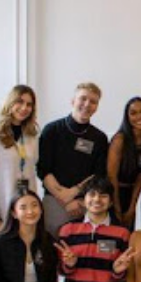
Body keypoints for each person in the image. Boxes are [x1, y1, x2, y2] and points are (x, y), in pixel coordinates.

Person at [37, 82, 108, 235]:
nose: (87, 104)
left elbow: (98, 174)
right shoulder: (52, 130)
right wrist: (64, 198)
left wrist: (75, 196)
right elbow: (43, 168)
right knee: (52, 248)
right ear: (73, 101)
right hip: (54, 200)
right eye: (83, 98)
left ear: (97, 107)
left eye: (93, 101)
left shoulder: (100, 138)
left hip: (83, 203)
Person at [0, 85, 39, 235]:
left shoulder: (32, 137)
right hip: (1, 208)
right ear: (10, 103)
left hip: (26, 212)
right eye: (20, 102)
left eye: (29, 104)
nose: (24, 108)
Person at [107, 97, 141, 230]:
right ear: (127, 117)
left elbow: (140, 177)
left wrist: (132, 207)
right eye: (133, 113)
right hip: (113, 194)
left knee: (127, 236)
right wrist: (117, 208)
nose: (139, 116)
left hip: (131, 194)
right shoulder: (119, 140)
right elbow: (111, 177)